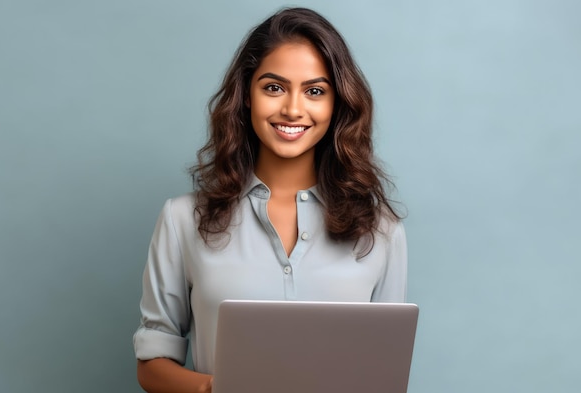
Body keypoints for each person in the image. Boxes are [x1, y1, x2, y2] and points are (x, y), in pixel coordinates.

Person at [133, 7, 407, 393]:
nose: (293, 109)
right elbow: (152, 364)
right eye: (274, 87)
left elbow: (385, 373)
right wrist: (215, 389)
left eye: (315, 91)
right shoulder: (182, 220)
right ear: (247, 95)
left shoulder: (382, 231)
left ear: (336, 104)